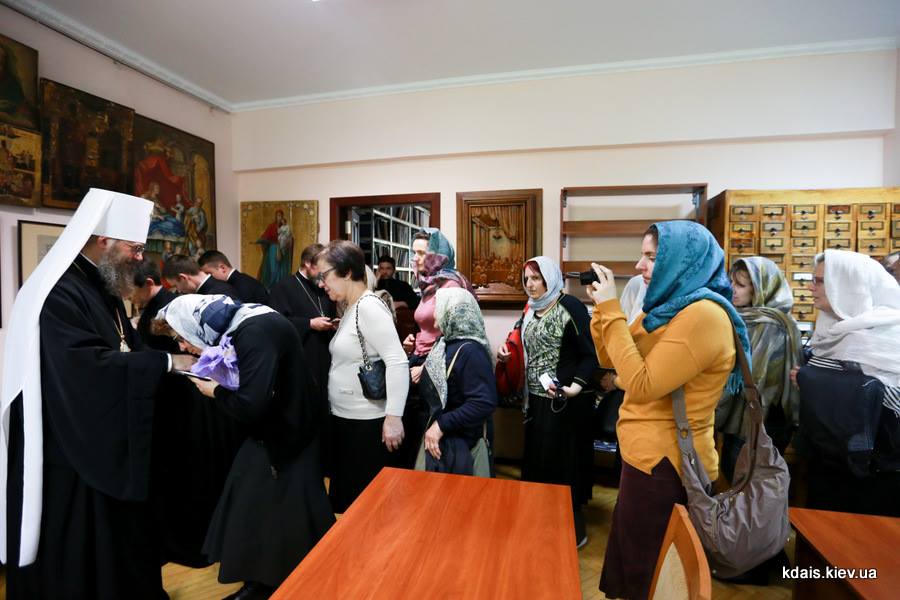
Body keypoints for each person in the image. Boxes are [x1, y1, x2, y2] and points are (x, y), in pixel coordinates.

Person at [1, 189, 196, 599]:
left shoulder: (100, 288)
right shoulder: (59, 292)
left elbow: (126, 349)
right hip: (71, 452)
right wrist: (165, 364)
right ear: (104, 241)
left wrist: (181, 360)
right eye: (135, 248)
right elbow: (84, 367)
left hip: (100, 440)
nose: (140, 258)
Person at [588, 221, 747, 600]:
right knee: (634, 568)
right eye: (642, 255)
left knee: (650, 575)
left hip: (667, 465)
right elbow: (610, 356)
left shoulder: (704, 316)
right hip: (645, 456)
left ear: (683, 261)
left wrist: (612, 309)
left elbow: (641, 383)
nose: (640, 266)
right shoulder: (667, 307)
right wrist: (601, 311)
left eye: (652, 257)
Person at [157, 294, 335, 599]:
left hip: (287, 432)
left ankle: (276, 583)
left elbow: (251, 404)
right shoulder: (248, 319)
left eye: (180, 337)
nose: (183, 346)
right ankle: (271, 581)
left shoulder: (253, 333)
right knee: (267, 508)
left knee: (262, 508)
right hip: (287, 428)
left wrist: (215, 391)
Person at [131, 257, 247, 568]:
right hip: (180, 400)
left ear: (149, 284)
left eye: (133, 291)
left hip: (187, 401)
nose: (131, 298)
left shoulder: (170, 309)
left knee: (193, 472)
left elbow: (190, 353)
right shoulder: (161, 305)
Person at [497, 256, 597, 547]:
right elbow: (519, 341)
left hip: (564, 401)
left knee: (562, 466)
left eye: (536, 278)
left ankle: (569, 530)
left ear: (550, 279)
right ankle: (538, 523)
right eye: (526, 279)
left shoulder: (570, 307)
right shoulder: (530, 309)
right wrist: (505, 353)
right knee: (538, 462)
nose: (530, 284)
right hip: (536, 401)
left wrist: (575, 387)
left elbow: (589, 355)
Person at [792, 250, 900, 516]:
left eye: (820, 281)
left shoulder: (885, 335)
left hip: (870, 477)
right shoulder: (831, 329)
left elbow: (891, 401)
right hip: (827, 463)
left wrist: (809, 380)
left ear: (849, 285)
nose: (811, 287)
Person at [316, 241, 409, 512]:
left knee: (365, 509)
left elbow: (397, 361)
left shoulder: (368, 306)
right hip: (348, 420)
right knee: (350, 506)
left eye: (325, 275)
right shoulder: (352, 307)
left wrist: (393, 417)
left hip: (365, 425)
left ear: (346, 272)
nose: (321, 283)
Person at [716, 257, 803, 483]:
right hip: (737, 417)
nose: (732, 289)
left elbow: (767, 379)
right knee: (734, 475)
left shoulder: (777, 325)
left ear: (760, 288)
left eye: (741, 285)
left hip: (764, 421)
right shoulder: (736, 316)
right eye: (731, 282)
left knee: (750, 483)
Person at [401, 229, 476, 467]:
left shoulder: (450, 285)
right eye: (413, 252)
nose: (415, 258)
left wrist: (426, 367)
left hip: (437, 368)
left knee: (429, 435)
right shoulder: (428, 284)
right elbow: (430, 328)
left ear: (438, 255)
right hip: (420, 359)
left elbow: (455, 336)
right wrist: (414, 341)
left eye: (421, 253)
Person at [418, 288, 497, 476]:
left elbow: (483, 402)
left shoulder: (471, 351)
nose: (434, 312)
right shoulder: (445, 342)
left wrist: (440, 425)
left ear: (453, 312)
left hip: (462, 448)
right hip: (445, 444)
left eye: (439, 306)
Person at [268, 243, 338, 412]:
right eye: (320, 267)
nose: (324, 273)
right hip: (301, 356)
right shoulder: (283, 287)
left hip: (325, 354)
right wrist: (309, 324)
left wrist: (334, 323)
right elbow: (275, 323)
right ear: (307, 263)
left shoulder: (322, 286)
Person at [198, 249, 269, 304]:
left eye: (209, 273)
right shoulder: (240, 281)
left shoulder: (243, 285)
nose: (208, 278)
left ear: (222, 268)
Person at [163, 253, 240, 299]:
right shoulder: (221, 287)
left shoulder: (219, 294)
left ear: (183, 278)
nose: (178, 290)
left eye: (176, 286)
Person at [255, 209, 292, 289]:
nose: (279, 217)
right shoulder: (271, 226)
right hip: (273, 249)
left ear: (282, 217)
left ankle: (280, 286)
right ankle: (271, 286)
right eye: (277, 216)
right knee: (273, 268)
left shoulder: (285, 227)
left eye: (280, 216)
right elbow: (265, 236)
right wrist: (260, 240)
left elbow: (289, 238)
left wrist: (285, 243)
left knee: (281, 269)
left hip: (282, 249)